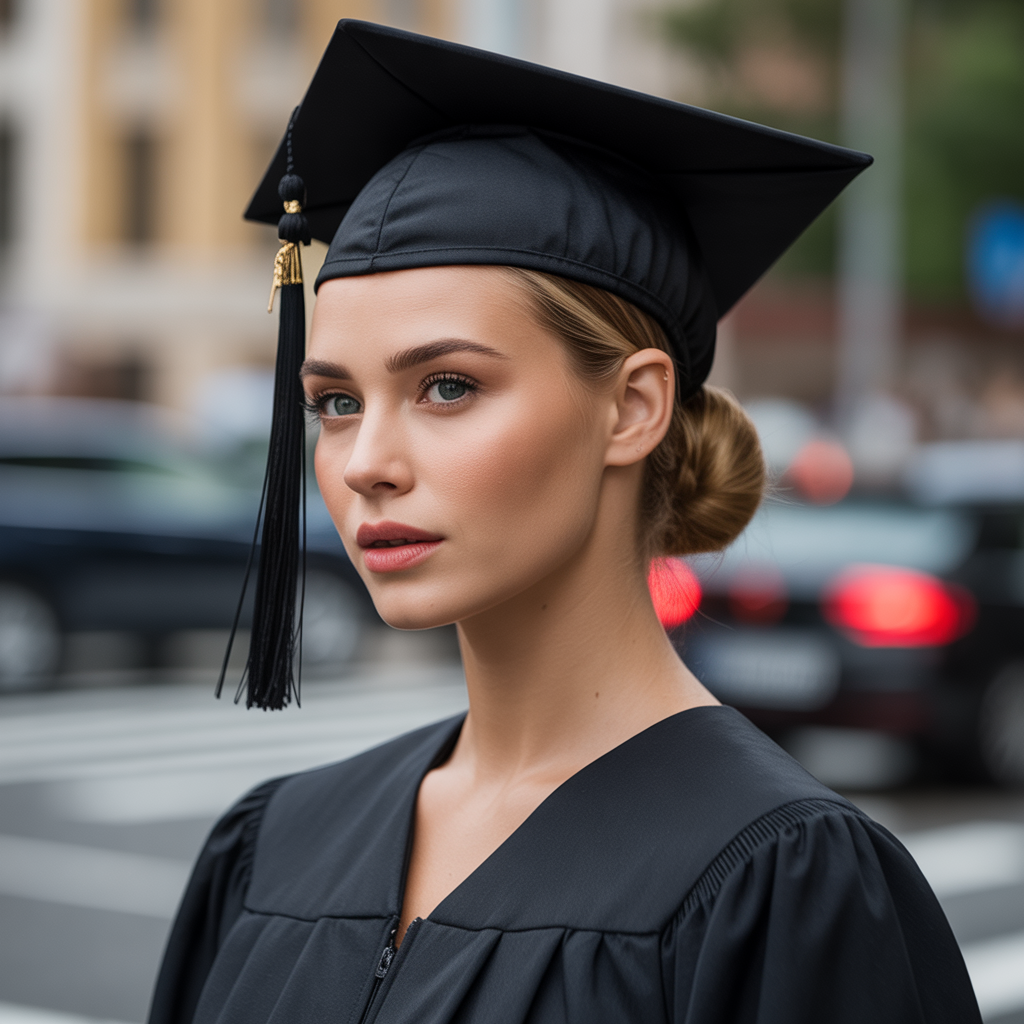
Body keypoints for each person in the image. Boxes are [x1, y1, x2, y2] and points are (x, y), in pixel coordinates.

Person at [150, 21, 981, 1024]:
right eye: (335, 402)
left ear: (631, 407)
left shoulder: (778, 880)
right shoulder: (273, 841)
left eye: (447, 385)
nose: (365, 462)